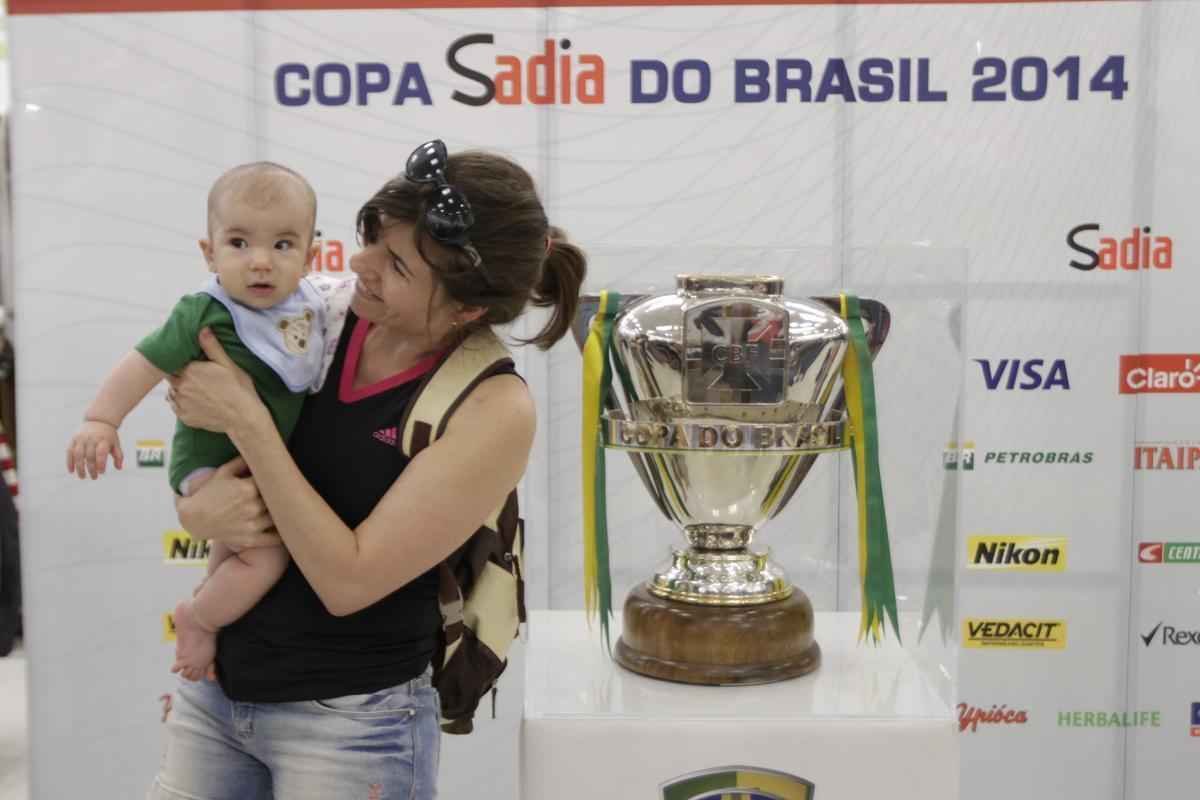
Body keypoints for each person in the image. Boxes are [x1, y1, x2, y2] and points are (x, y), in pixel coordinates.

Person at [147, 139, 586, 800]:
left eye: (396, 263)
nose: (360, 264)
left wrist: (250, 424)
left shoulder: (493, 406)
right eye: (372, 237)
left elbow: (348, 581)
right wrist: (194, 508)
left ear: (467, 308)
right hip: (217, 689)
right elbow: (207, 441)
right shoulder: (317, 318)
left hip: (353, 722)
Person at [65, 162, 328, 682]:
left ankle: (211, 627)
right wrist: (102, 419)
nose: (260, 262)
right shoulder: (202, 313)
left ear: (309, 257)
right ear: (209, 254)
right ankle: (199, 618)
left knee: (234, 549)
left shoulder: (312, 308)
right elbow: (143, 363)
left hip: (255, 464)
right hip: (210, 463)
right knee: (266, 559)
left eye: (282, 245)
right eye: (238, 243)